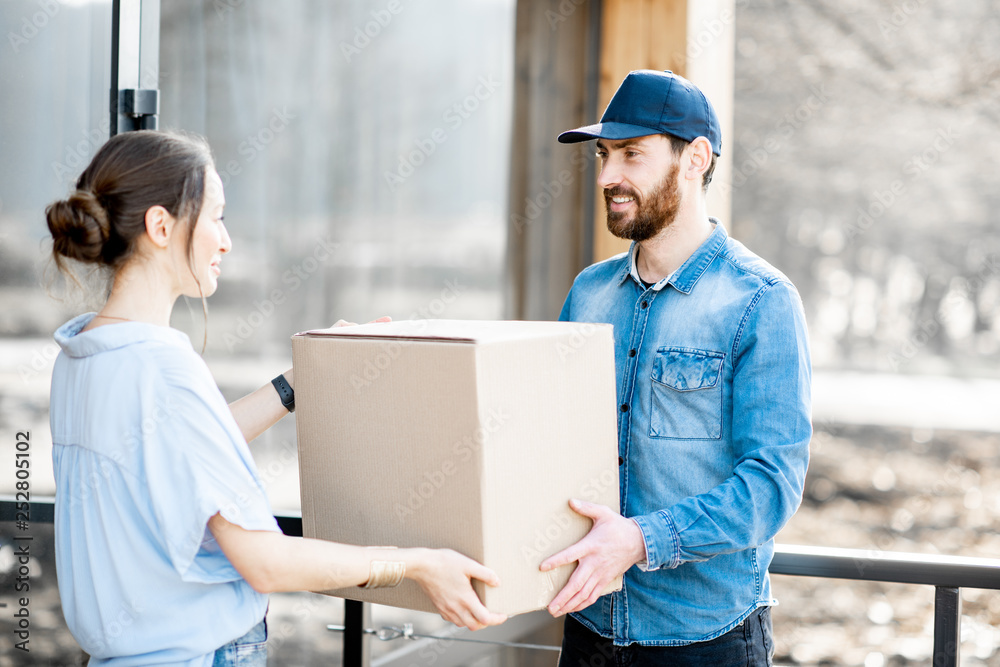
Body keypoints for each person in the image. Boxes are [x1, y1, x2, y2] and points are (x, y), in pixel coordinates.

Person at [45, 129, 506, 665]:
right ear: (160, 225)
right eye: (215, 215)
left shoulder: (81, 356)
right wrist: (418, 564)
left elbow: (175, 451)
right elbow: (265, 563)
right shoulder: (164, 373)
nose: (225, 239)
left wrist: (296, 384)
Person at [539, 70, 812, 665]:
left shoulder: (761, 300)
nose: (609, 175)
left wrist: (640, 540)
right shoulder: (587, 294)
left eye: (633, 154)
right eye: (605, 155)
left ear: (695, 159)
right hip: (587, 625)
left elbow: (772, 484)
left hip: (705, 640)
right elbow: (551, 442)